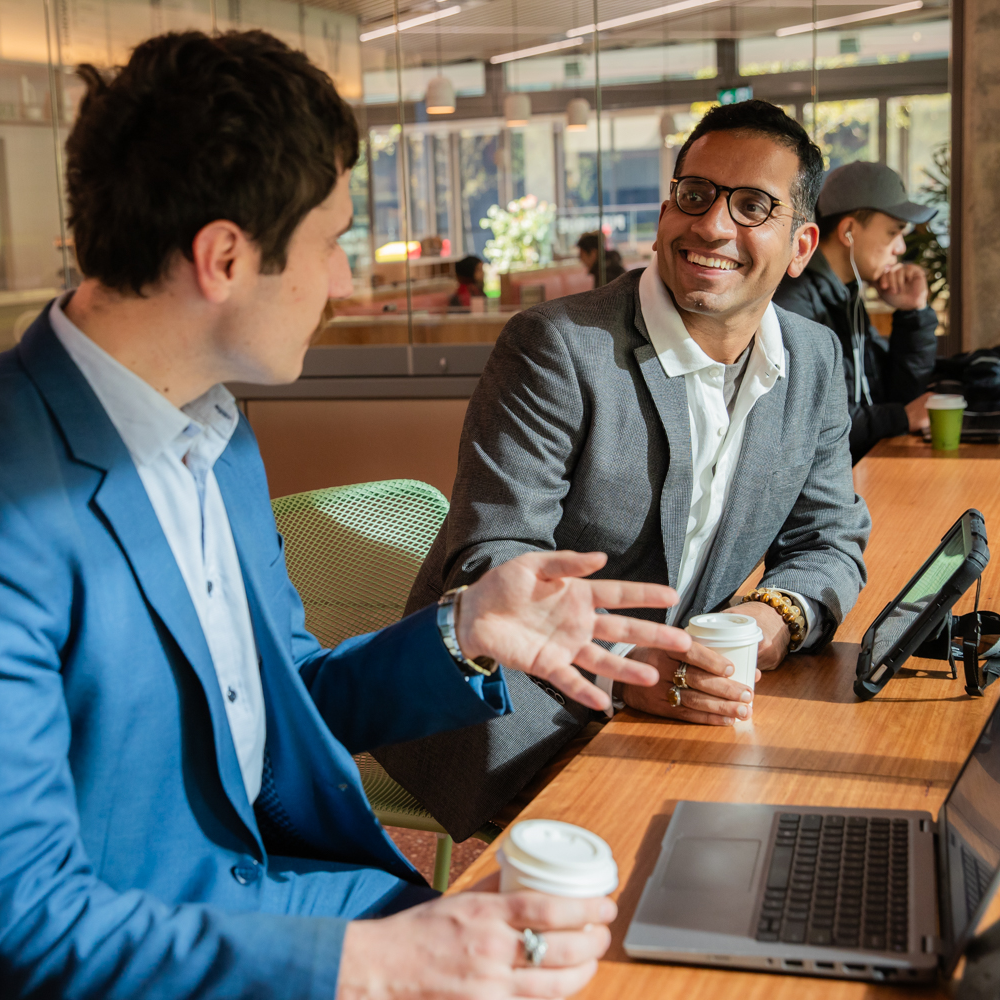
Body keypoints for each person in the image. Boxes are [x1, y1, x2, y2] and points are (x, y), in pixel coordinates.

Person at [0, 30, 707, 1000]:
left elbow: (284, 698)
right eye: (333, 240)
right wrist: (370, 965)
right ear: (223, 256)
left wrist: (464, 634)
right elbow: (30, 926)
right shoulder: (17, 504)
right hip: (160, 956)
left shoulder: (213, 429)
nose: (343, 281)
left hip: (299, 902)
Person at [375, 100, 870, 842]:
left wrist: (773, 620)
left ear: (800, 245)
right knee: (668, 848)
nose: (711, 226)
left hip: (684, 695)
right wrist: (628, 668)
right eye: (695, 195)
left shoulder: (813, 358)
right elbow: (494, 561)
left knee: (805, 811)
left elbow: (830, 540)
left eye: (752, 206)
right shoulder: (556, 348)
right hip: (521, 699)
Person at [774, 161, 939, 463]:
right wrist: (900, 417)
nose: (900, 248)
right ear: (848, 231)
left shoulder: (846, 296)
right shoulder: (794, 305)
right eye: (893, 232)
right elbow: (815, 427)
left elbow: (897, 395)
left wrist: (912, 314)